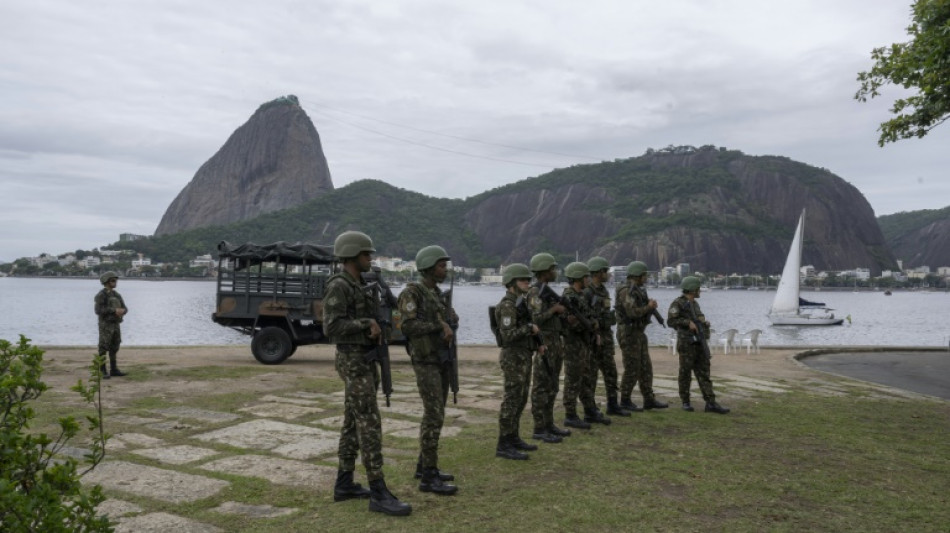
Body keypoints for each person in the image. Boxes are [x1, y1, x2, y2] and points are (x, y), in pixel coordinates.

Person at [323, 230, 411, 516]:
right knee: (369, 422)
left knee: (352, 421)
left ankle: (344, 483)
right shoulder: (339, 285)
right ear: (351, 256)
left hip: (365, 359)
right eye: (365, 254)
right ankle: (378, 491)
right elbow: (331, 327)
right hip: (353, 361)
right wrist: (365, 324)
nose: (370, 258)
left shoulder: (361, 283)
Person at [398, 245, 458, 495]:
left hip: (441, 359)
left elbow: (448, 320)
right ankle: (429, 478)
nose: (445, 269)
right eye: (441, 265)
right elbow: (408, 326)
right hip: (426, 361)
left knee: (438, 412)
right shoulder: (413, 293)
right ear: (429, 266)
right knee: (433, 415)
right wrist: (438, 325)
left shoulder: (436, 294)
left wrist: (451, 320)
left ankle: (425, 466)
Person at [494, 263, 542, 460]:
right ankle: (503, 443)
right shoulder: (507, 305)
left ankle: (513, 437)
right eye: (523, 280)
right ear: (512, 282)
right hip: (513, 357)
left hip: (523, 356)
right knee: (512, 400)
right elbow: (507, 335)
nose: (527, 283)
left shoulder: (520, 304)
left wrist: (537, 342)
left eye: (528, 280)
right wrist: (529, 328)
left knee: (521, 398)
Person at [667, 276, 730, 415]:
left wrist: (704, 324)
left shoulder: (694, 304)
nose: (699, 291)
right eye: (698, 288)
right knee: (685, 373)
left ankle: (711, 402)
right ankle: (685, 402)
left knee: (704, 372)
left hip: (699, 342)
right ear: (692, 289)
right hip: (687, 344)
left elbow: (699, 319)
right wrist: (686, 323)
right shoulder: (678, 303)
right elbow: (670, 321)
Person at [561, 262, 610, 429]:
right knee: (573, 379)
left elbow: (589, 315)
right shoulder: (569, 297)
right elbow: (570, 323)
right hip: (573, 345)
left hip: (584, 343)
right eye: (585, 277)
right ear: (578, 278)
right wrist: (588, 325)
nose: (588, 279)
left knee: (586, 378)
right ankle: (570, 414)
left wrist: (594, 328)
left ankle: (590, 410)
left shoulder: (580, 295)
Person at [527, 253, 570, 443]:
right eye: (552, 268)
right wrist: (554, 310)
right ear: (544, 271)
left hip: (555, 342)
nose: (555, 272)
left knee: (553, 386)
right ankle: (539, 427)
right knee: (541, 387)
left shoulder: (548, 292)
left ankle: (549, 423)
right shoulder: (535, 293)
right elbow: (534, 319)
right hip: (543, 343)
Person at [615, 261, 669, 411]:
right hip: (629, 334)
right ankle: (625, 399)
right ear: (638, 275)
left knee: (646, 368)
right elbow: (632, 312)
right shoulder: (626, 291)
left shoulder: (638, 290)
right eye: (644, 275)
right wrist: (648, 307)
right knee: (632, 368)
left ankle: (649, 399)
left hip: (639, 333)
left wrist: (649, 307)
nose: (646, 277)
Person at [585, 257, 629, 418]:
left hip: (606, 338)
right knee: (591, 375)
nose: (608, 274)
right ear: (598, 273)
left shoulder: (603, 290)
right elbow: (585, 316)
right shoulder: (587, 291)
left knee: (611, 373)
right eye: (605, 271)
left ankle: (613, 404)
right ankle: (590, 409)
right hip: (594, 339)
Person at [94, 271, 127, 379]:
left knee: (115, 345)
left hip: (116, 323)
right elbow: (98, 310)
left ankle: (114, 369)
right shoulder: (101, 295)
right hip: (105, 324)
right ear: (106, 282)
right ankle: (102, 370)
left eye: (115, 280)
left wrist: (122, 311)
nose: (115, 282)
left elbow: (125, 308)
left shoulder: (116, 295)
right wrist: (113, 311)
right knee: (103, 346)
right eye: (113, 280)